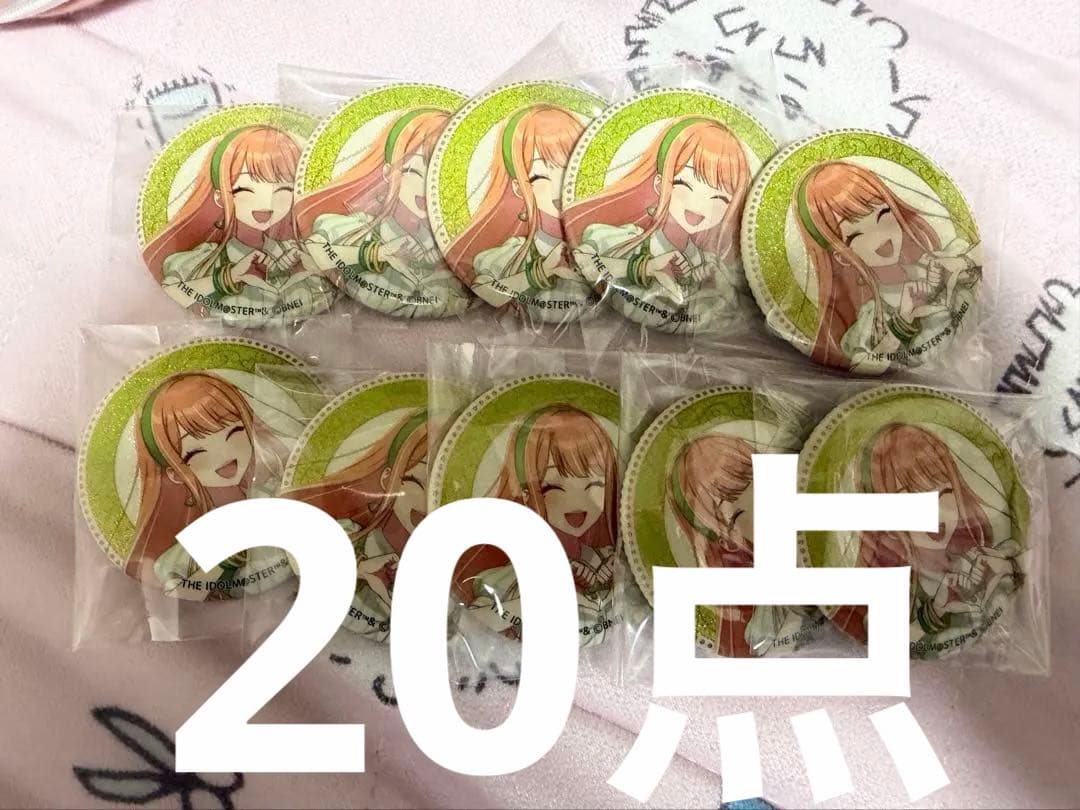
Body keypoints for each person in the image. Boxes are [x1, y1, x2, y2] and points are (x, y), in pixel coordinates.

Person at [831, 423, 1021, 643]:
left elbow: (1017, 563)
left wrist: (1006, 569)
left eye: (945, 491)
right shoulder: (879, 582)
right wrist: (936, 610)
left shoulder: (982, 553)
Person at [564, 116, 752, 332]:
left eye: (721, 197)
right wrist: (646, 268)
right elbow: (585, 259)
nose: (699, 204)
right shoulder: (625, 240)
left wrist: (718, 286)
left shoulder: (709, 262)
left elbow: (726, 315)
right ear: (659, 183)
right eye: (683, 183)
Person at [793, 161, 980, 372]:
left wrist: (960, 265)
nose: (879, 236)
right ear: (842, 256)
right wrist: (903, 321)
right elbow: (865, 365)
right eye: (855, 235)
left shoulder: (936, 261)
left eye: (883, 214)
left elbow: (976, 260)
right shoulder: (873, 319)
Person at [455, 404, 618, 641]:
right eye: (553, 486)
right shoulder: (506, 575)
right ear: (525, 492)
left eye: (595, 485)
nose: (577, 504)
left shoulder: (608, 559)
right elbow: (480, 615)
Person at [143, 125, 335, 325]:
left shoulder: (303, 251)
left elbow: (337, 283)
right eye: (245, 189)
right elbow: (173, 288)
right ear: (220, 196)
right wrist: (228, 277)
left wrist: (317, 268)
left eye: (284, 189)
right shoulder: (202, 261)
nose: (265, 204)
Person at [126, 372, 288, 599]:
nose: (224, 454)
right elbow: (173, 579)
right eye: (195, 452)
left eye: (235, 432)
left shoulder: (272, 492)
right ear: (174, 473)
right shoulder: (193, 540)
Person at [296, 109, 469, 318]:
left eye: (439, 175)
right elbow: (317, 249)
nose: (426, 186)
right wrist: (376, 253)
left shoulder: (456, 242)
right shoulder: (364, 227)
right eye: (412, 172)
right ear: (388, 173)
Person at [283, 409, 428, 641]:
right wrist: (360, 570)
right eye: (416, 482)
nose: (430, 499)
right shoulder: (343, 540)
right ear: (387, 479)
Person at [444, 104, 594, 316]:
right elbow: (486, 289)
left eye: (570, 170)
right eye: (541, 177)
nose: (560, 187)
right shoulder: (510, 255)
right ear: (518, 187)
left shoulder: (601, 239)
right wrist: (540, 272)